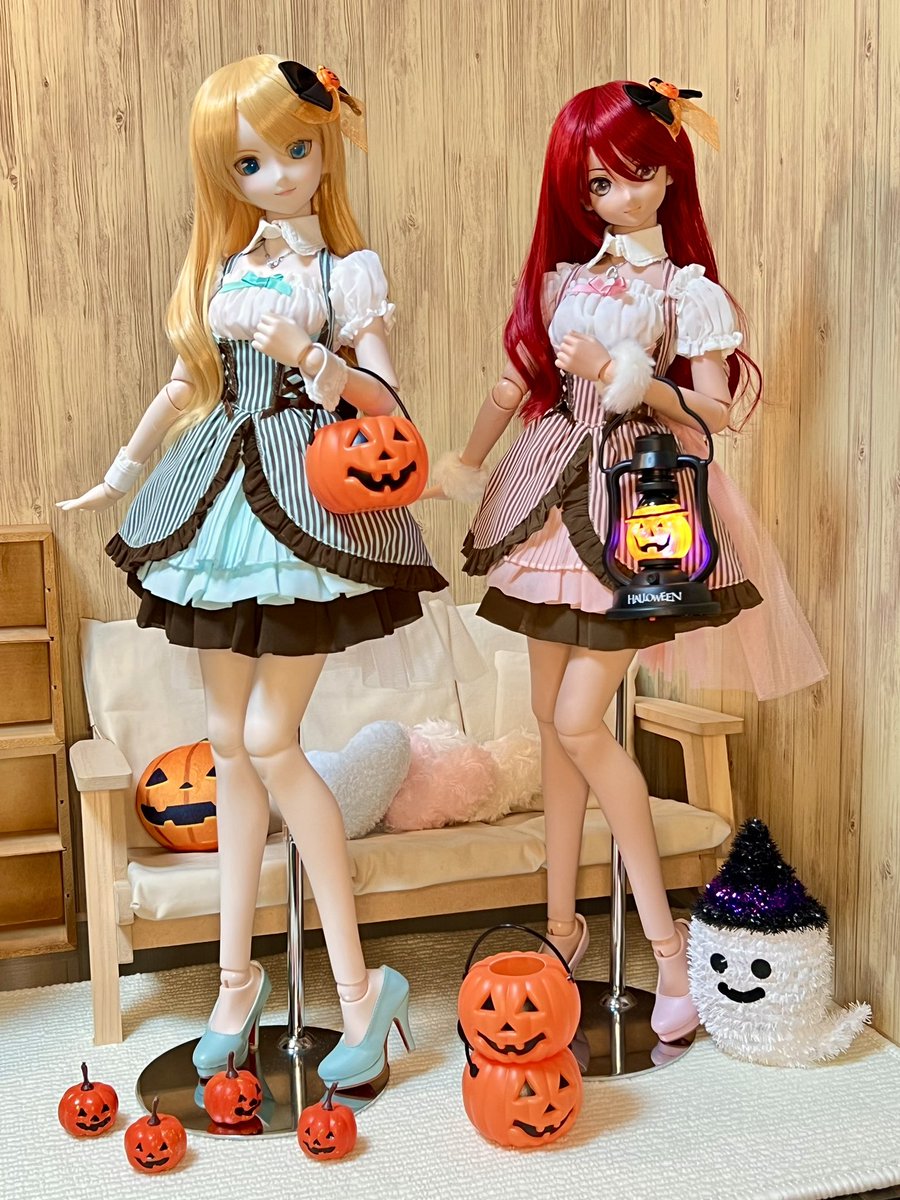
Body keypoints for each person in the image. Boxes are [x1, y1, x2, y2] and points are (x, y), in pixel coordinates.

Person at [59, 54, 440, 1087]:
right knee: (227, 744)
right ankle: (237, 983)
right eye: (249, 162)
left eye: (295, 150)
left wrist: (312, 358)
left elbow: (391, 410)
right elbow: (187, 383)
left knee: (271, 739)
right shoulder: (230, 269)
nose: (277, 175)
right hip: (219, 498)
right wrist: (122, 470)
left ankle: (360, 989)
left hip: (308, 499)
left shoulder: (343, 273)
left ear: (325, 147)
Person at [431, 79, 826, 1042]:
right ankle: (564, 926)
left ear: (671, 175)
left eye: (638, 174)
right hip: (548, 494)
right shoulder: (567, 281)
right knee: (551, 720)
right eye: (599, 183)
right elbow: (516, 381)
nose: (619, 195)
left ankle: (668, 950)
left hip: (638, 507)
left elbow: (717, 413)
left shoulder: (686, 292)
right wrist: (461, 463)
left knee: (579, 719)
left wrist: (629, 378)